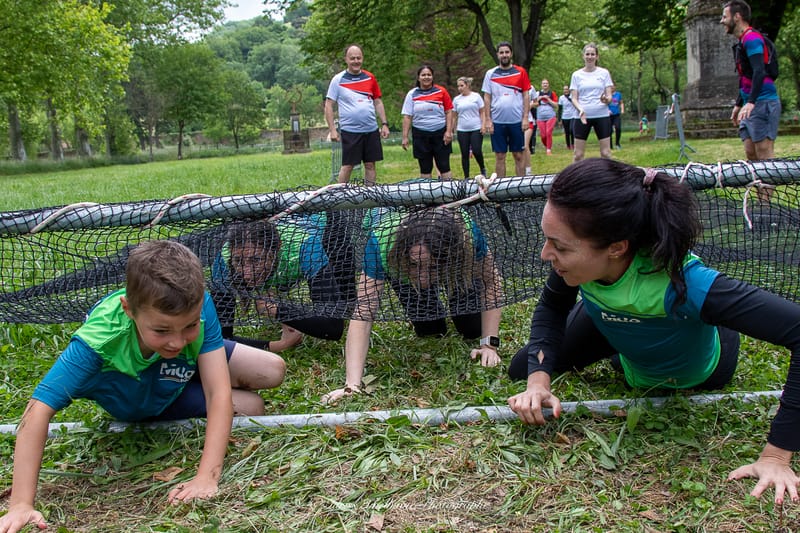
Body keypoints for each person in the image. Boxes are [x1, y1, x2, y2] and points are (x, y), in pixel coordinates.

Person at [507, 158, 800, 505]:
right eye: (548, 240)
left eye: (560, 246)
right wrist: (537, 383)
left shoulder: (689, 284)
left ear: (617, 247)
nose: (545, 254)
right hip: (618, 334)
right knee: (522, 366)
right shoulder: (574, 263)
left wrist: (776, 456)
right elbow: (553, 307)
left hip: (702, 364)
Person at [0, 240, 287, 533]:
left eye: (190, 325)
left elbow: (218, 392)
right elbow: (37, 411)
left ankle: (178, 359)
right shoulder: (96, 344)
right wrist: (21, 504)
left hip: (176, 370)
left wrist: (207, 477)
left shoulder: (198, 303)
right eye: (162, 330)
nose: (176, 341)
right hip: (144, 400)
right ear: (129, 309)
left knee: (272, 369)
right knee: (252, 408)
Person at [322, 207, 503, 403]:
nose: (423, 278)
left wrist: (489, 345)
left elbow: (491, 282)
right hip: (400, 268)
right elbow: (363, 310)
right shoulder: (382, 242)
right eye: (415, 264)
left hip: (454, 269)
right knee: (431, 328)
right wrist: (352, 385)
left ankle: (437, 272)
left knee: (472, 328)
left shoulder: (467, 235)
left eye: (433, 266)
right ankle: (419, 271)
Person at [211, 215, 354, 347]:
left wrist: (278, 310)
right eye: (238, 261)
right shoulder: (224, 259)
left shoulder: (307, 248)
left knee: (347, 307)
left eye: (256, 260)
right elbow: (219, 338)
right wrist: (277, 345)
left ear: (277, 249)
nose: (247, 273)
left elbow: (333, 327)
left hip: (326, 227)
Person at [721, 0, 780, 162]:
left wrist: (751, 102)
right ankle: (759, 187)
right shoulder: (742, 42)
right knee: (751, 153)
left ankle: (767, 187)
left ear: (737, 17)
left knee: (764, 153)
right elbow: (746, 76)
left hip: (763, 102)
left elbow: (759, 71)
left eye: (725, 16)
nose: (722, 21)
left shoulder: (752, 39)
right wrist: (739, 104)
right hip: (750, 104)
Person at [325, 44, 391, 186]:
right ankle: (340, 197)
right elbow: (329, 105)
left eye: (358, 58)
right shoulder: (338, 79)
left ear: (362, 59)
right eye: (352, 58)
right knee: (348, 166)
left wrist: (384, 124)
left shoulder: (370, 78)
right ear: (346, 60)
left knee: (370, 165)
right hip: (350, 131)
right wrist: (332, 130)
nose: (356, 61)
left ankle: (369, 198)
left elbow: (378, 102)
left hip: (371, 129)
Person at [482, 41, 531, 177]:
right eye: (501, 52)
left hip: (516, 121)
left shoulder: (520, 72)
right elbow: (487, 97)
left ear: (511, 54)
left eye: (507, 52)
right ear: (497, 55)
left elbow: (526, 95)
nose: (504, 55)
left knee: (519, 155)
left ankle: (520, 187)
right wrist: (488, 120)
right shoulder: (490, 74)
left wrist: (525, 117)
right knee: (500, 155)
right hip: (497, 121)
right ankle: (501, 188)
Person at [401, 65, 454, 180]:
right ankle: (427, 196)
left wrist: (449, 131)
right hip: (420, 134)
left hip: (440, 133)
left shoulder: (442, 91)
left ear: (433, 77)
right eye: (423, 75)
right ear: (418, 78)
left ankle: (450, 195)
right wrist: (405, 137)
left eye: (429, 75)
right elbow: (407, 116)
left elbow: (449, 112)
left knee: (444, 166)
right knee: (425, 167)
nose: (426, 77)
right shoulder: (412, 94)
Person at [569, 43, 614, 162]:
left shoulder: (604, 73)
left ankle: (608, 179)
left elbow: (609, 96)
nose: (590, 57)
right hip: (582, 116)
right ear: (583, 56)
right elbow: (574, 98)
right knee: (578, 155)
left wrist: (606, 99)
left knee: (606, 153)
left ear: (597, 57)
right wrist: (581, 109)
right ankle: (575, 179)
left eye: (592, 54)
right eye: (587, 54)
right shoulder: (576, 75)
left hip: (601, 115)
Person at [453, 76, 487, 178]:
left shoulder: (476, 97)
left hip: (476, 127)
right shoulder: (456, 100)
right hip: (462, 129)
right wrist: (451, 128)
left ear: (467, 85)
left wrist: (483, 125)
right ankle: (466, 176)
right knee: (464, 153)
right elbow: (454, 115)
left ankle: (482, 168)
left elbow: (482, 112)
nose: (460, 88)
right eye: (458, 86)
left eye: (462, 86)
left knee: (476, 150)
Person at [533, 79, 558, 156]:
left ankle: (548, 150)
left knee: (548, 132)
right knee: (543, 135)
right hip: (540, 117)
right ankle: (547, 146)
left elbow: (556, 105)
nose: (545, 85)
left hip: (551, 116)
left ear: (548, 85)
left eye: (546, 83)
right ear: (541, 85)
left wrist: (548, 99)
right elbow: (534, 104)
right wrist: (539, 99)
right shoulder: (537, 93)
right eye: (543, 83)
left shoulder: (552, 93)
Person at [558, 84, 578, 150]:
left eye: (567, 89)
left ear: (569, 90)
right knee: (567, 132)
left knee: (572, 130)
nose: (565, 91)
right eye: (564, 89)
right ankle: (568, 145)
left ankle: (573, 144)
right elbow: (560, 109)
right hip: (565, 116)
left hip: (573, 116)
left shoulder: (573, 96)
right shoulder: (561, 98)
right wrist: (559, 119)